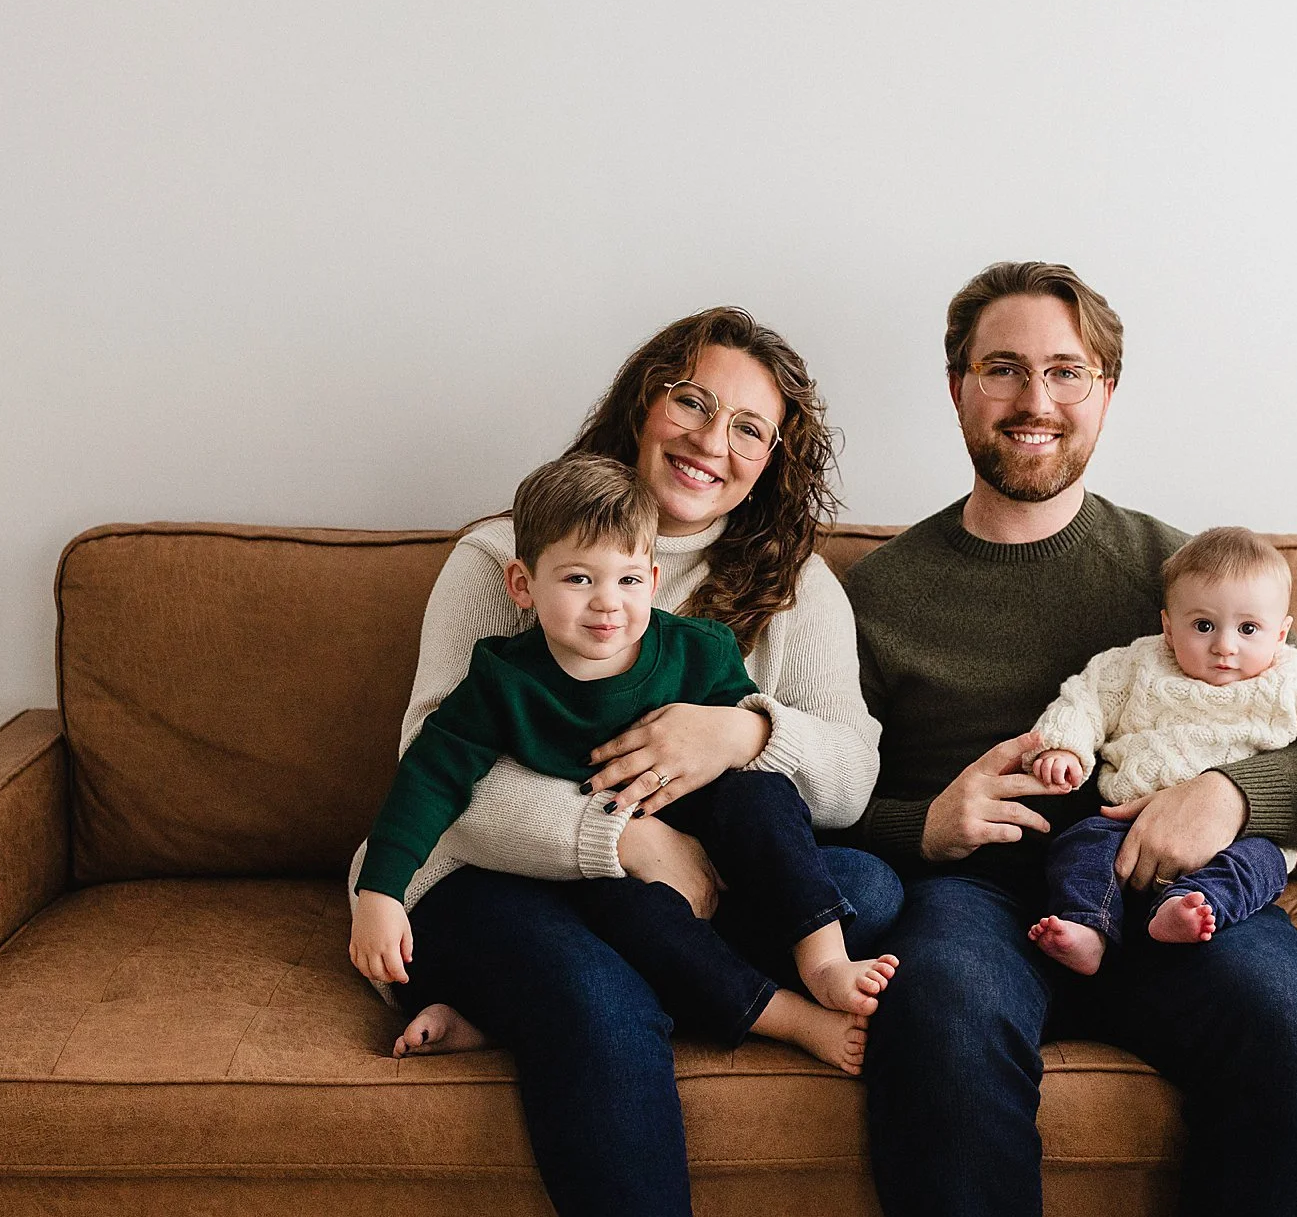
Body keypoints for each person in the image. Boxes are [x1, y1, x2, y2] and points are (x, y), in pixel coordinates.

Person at [350, 307, 900, 1217]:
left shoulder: (792, 585)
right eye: (691, 400)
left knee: (865, 890)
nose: (709, 440)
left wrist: (739, 734)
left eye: (747, 426)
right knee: (594, 1000)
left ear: (772, 458)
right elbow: (433, 777)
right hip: (492, 882)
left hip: (673, 899)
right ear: (640, 403)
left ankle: (495, 1004)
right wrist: (627, 840)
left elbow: (851, 775)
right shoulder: (503, 557)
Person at [845, 261, 1297, 1217]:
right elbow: (815, 787)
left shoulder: (1180, 574)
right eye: (1002, 369)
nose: (1034, 401)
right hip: (974, 897)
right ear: (955, 388)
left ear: (1105, 392)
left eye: (1064, 372)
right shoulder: (879, 593)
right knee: (934, 1029)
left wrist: (1227, 792)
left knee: (1293, 1027)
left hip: (1168, 880)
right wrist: (920, 823)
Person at [348, 453, 895, 1067]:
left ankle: (823, 960)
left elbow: (750, 786)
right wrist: (381, 893)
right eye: (579, 579)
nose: (608, 604)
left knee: (764, 794)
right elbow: (428, 779)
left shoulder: (699, 651)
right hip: (583, 880)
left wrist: (745, 732)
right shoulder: (501, 681)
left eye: (628, 580)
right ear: (523, 586)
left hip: (696, 848)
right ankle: (791, 1020)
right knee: (643, 935)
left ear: (654, 581)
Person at [1023, 525, 1297, 974]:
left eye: (1249, 629)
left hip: (1238, 840)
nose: (1225, 646)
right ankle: (1087, 927)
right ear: (1169, 627)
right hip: (1125, 828)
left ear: (1281, 634)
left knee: (1262, 865)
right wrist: (1064, 748)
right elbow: (1084, 700)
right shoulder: (1133, 665)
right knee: (1080, 845)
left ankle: (1190, 909)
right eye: (1203, 626)